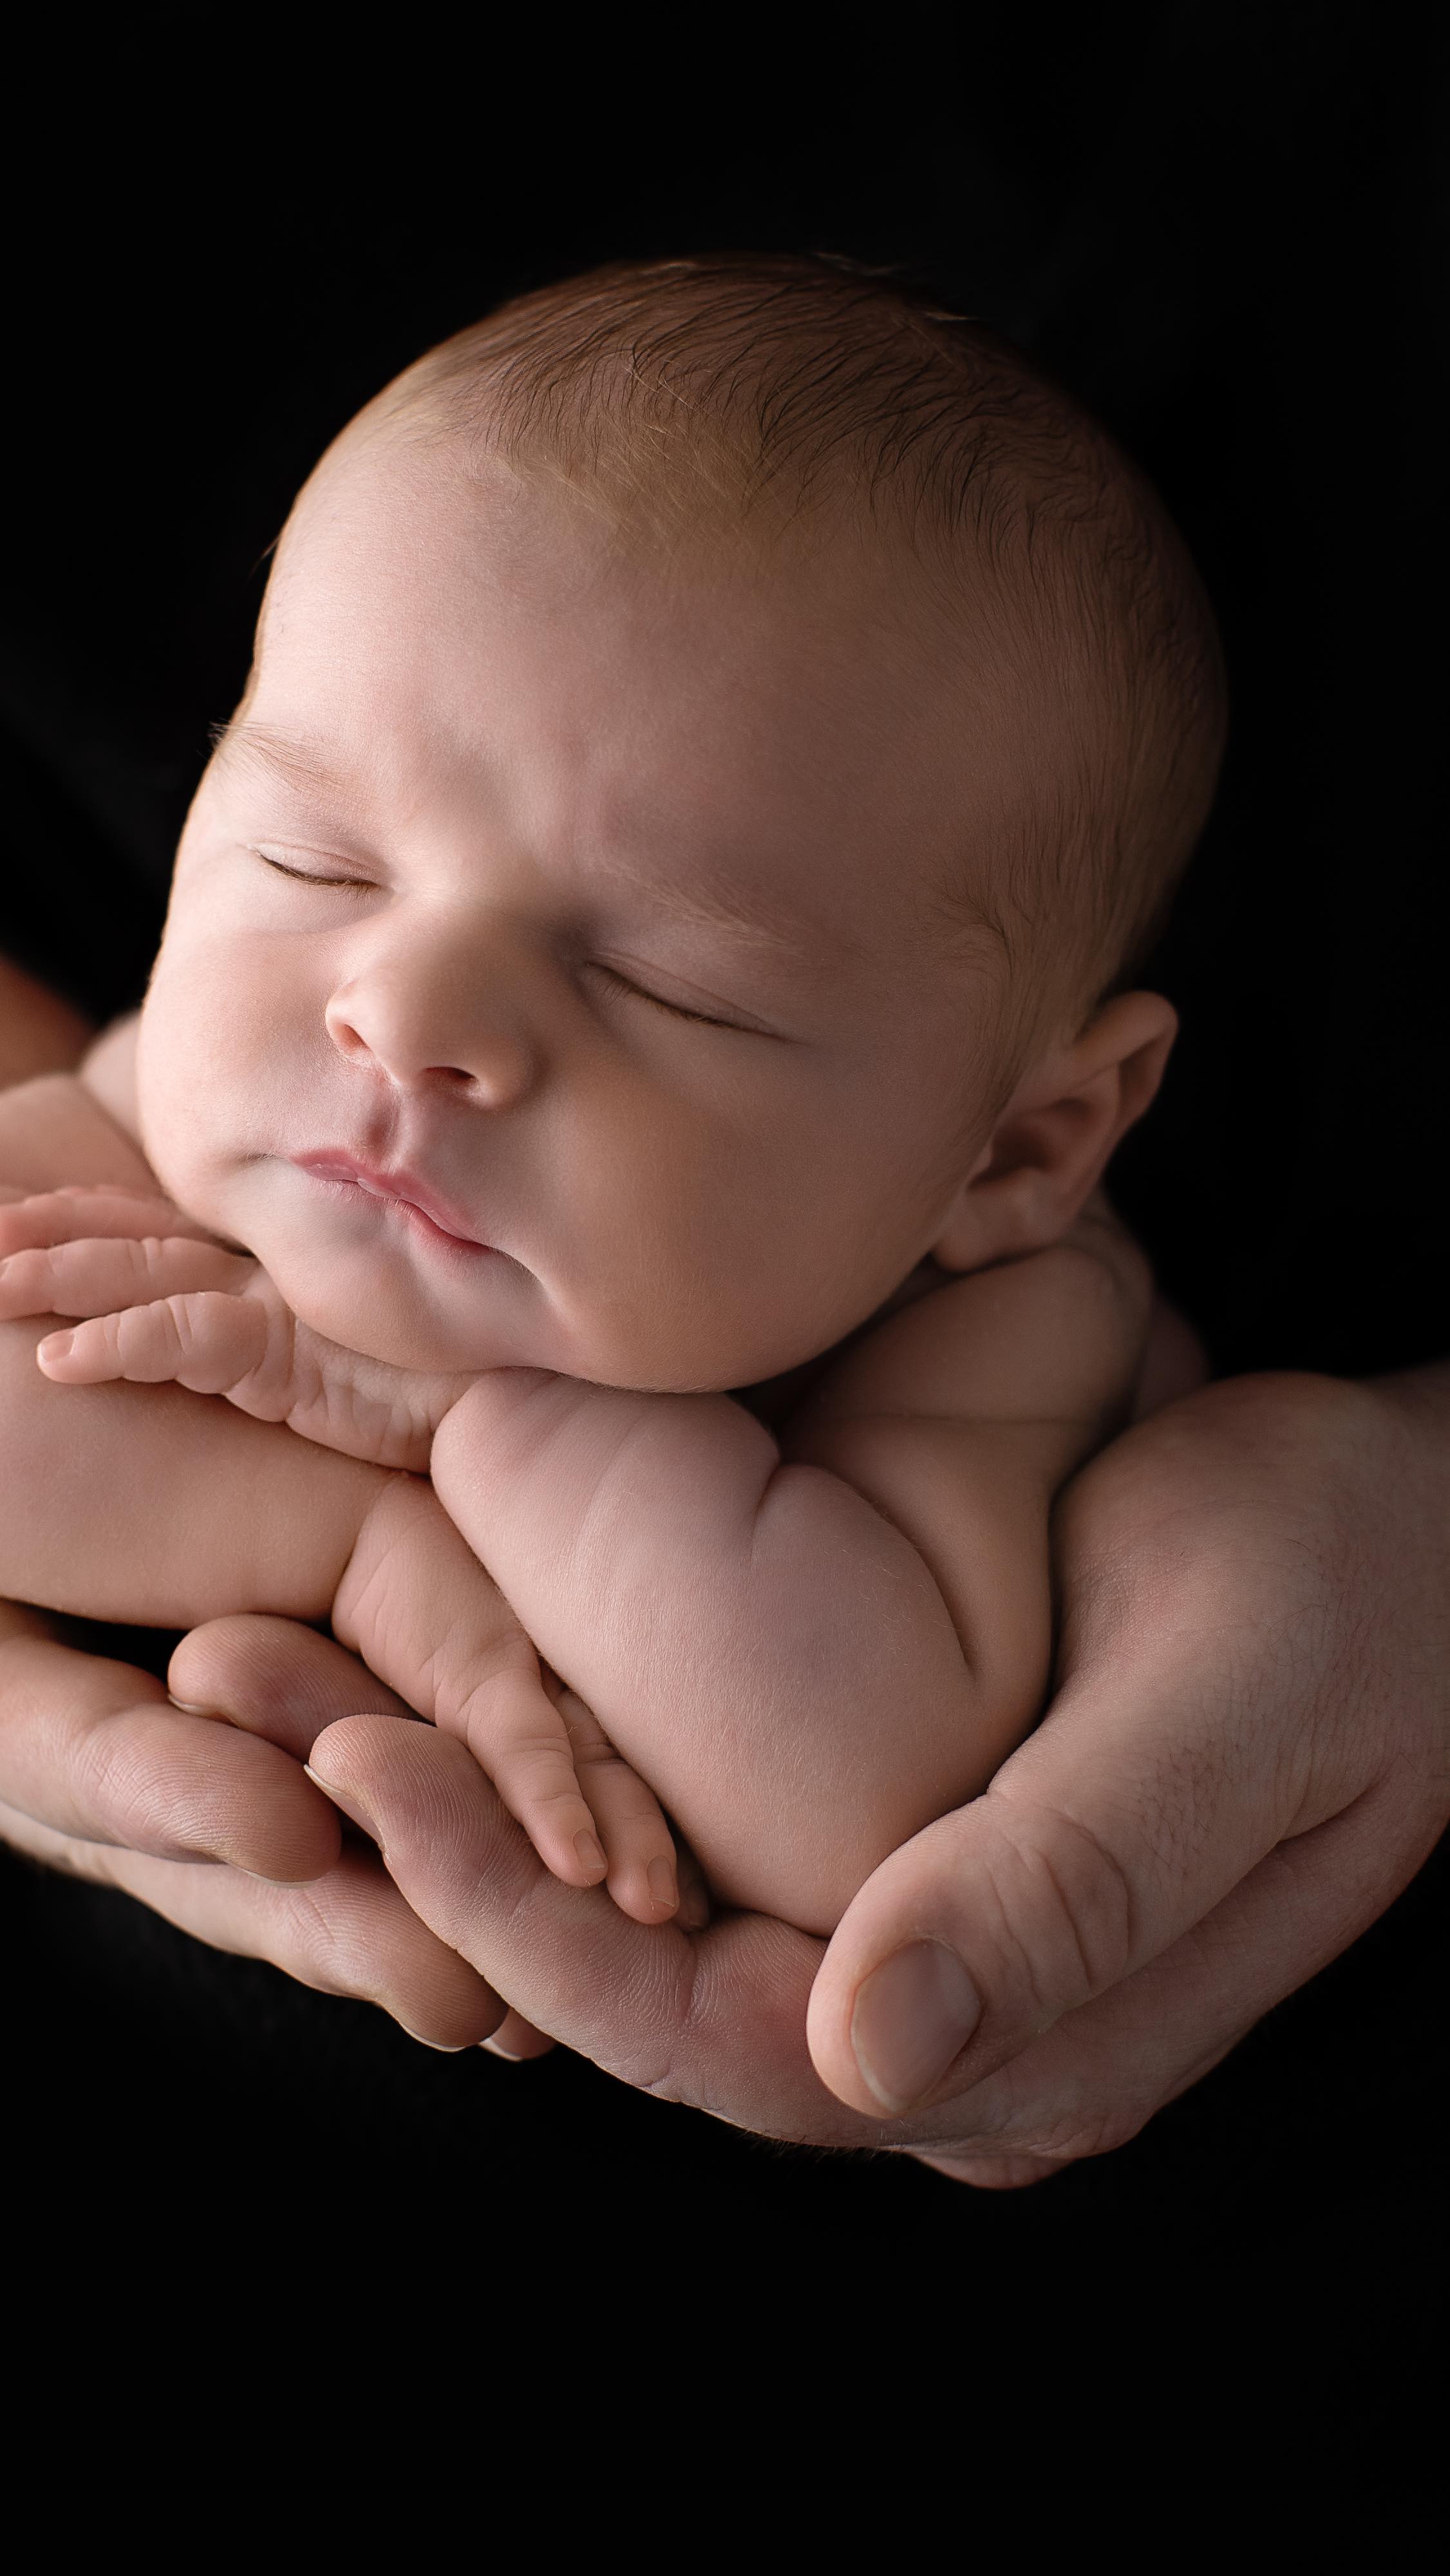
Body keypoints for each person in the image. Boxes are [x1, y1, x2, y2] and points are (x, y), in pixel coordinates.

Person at [0, 254, 1219, 1954]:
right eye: (315, 856)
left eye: (667, 987)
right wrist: (362, 1539)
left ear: (1014, 1148)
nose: (403, 1014)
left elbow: (842, 1794)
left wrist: (458, 1420)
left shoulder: (1003, 1321)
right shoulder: (209, 1109)